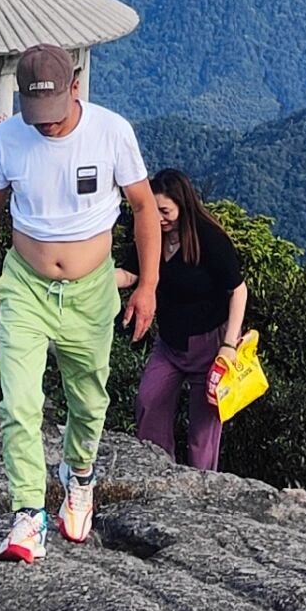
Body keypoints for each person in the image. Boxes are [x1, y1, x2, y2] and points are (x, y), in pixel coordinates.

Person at [0, 42, 160, 562]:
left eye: (54, 114)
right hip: (25, 284)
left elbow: (143, 206)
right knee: (20, 403)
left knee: (89, 399)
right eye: (37, 115)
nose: (46, 125)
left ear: (76, 88)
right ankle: (27, 514)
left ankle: (79, 476)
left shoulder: (111, 132)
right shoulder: (9, 137)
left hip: (91, 288)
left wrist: (147, 286)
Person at [126, 169, 248, 473]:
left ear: (183, 205)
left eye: (165, 211)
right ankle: (157, 472)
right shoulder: (150, 233)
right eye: (154, 211)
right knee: (148, 402)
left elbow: (238, 289)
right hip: (170, 343)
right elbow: (131, 272)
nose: (159, 219)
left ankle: (201, 492)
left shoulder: (209, 237)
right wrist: (91, 277)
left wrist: (229, 345)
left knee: (202, 434)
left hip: (210, 346)